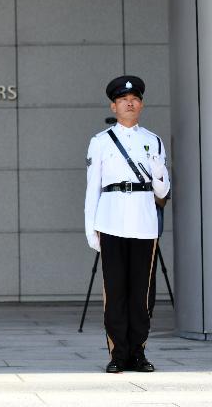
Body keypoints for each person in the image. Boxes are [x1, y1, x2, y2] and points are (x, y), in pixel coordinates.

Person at [84, 75, 170, 373]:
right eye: (123, 100)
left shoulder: (153, 141)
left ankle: (139, 352)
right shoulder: (101, 141)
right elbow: (92, 187)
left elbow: (162, 191)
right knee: (116, 292)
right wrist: (90, 228)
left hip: (144, 224)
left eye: (134, 99)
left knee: (142, 293)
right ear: (114, 105)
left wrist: (158, 170)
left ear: (141, 104)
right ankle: (118, 353)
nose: (129, 103)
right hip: (110, 221)